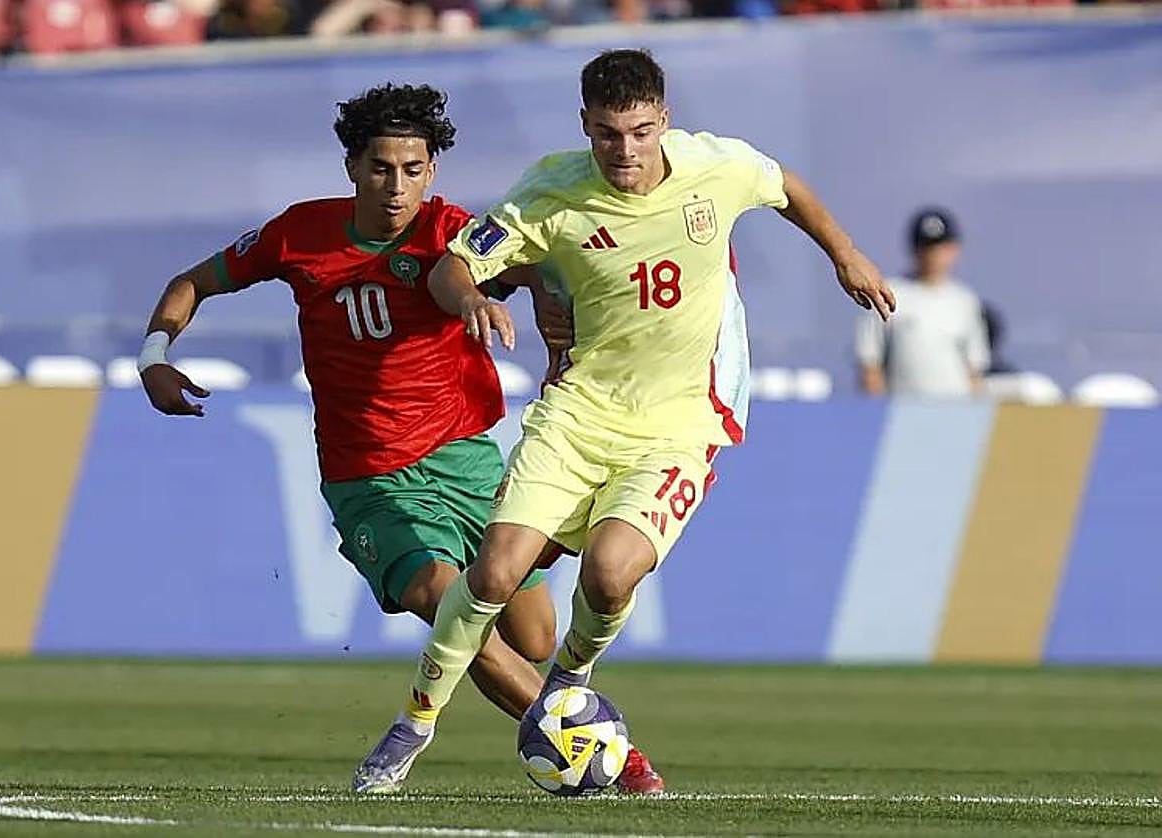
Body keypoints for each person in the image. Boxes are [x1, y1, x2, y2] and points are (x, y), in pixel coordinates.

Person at [354, 49, 895, 793]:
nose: (625, 151)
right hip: (578, 413)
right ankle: (413, 725)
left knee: (609, 576)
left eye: (640, 132)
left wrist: (847, 254)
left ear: (663, 122)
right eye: (608, 134)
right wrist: (474, 297)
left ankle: (566, 688)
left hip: (678, 423)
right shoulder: (551, 192)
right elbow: (455, 264)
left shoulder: (717, 166)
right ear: (586, 127)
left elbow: (786, 187)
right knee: (495, 572)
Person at [136, 83, 665, 796]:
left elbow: (519, 266)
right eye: (381, 168)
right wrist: (155, 357)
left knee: (535, 638)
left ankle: (557, 724)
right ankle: (602, 758)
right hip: (369, 476)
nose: (397, 187)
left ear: (433, 171)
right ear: (352, 166)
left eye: (413, 170)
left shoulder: (454, 230)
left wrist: (533, 296)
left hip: (467, 459)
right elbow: (191, 282)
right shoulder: (300, 233)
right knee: (444, 596)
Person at [856, 207, 989, 398]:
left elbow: (975, 369)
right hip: (904, 412)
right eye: (926, 247)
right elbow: (870, 364)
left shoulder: (965, 302)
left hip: (956, 411)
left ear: (953, 249)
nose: (932, 255)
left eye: (939, 247)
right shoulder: (888, 294)